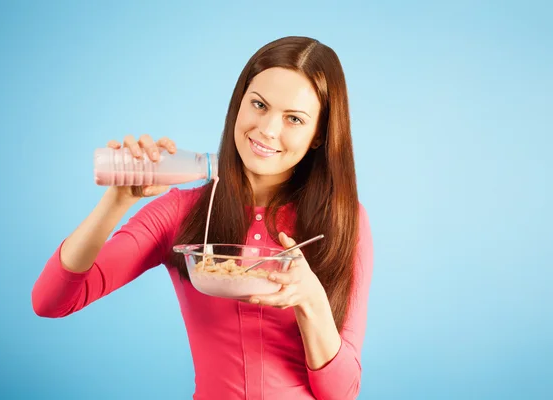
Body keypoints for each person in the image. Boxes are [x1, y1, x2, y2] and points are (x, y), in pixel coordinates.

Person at [32, 35, 374, 400]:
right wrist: (116, 201)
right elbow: (51, 302)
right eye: (259, 104)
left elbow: (341, 393)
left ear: (319, 134)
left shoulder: (343, 222)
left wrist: (310, 301)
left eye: (294, 118)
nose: (268, 129)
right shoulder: (181, 213)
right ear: (239, 103)